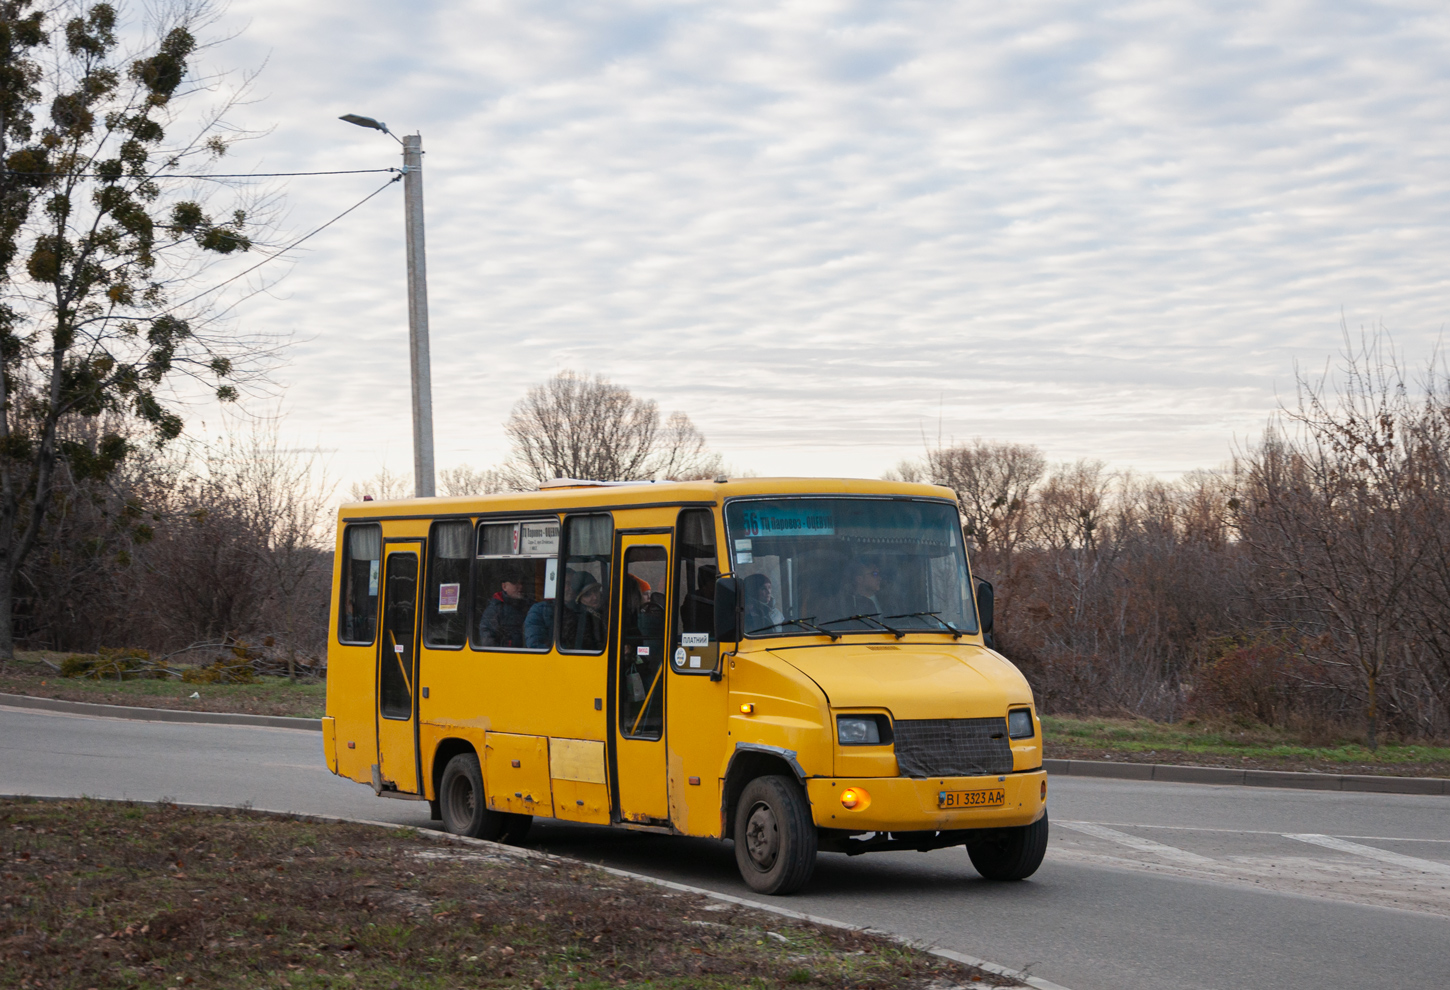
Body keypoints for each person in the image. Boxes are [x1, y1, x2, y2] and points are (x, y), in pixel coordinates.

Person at [479, 574, 532, 647]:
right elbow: (488, 640)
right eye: (515, 583)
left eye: (522, 583)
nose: (520, 587)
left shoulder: (529, 606)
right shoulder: (495, 609)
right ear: (504, 586)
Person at [560, 570, 607, 651]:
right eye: (587, 594)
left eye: (596, 591)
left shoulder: (607, 607)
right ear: (579, 598)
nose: (595, 597)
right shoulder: (574, 618)